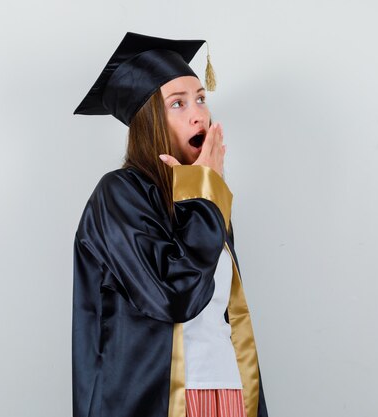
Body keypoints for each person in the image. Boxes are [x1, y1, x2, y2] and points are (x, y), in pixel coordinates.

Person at [72, 32, 268, 417]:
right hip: (158, 400)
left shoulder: (204, 199)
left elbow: (224, 317)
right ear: (148, 122)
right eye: (177, 103)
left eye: (200, 98)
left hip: (228, 392)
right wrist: (206, 196)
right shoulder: (119, 195)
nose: (198, 113)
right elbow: (176, 298)